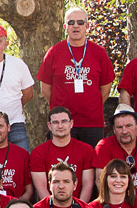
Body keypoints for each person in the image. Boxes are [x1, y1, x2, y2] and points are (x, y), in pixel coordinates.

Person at [37, 9, 115, 145]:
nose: (75, 26)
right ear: (65, 27)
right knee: (62, 164)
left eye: (80, 22)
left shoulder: (99, 53)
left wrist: (91, 105)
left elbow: (106, 90)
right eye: (71, 22)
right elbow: (45, 90)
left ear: (87, 26)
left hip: (92, 123)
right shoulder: (54, 52)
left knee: (91, 163)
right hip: (61, 123)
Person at [91, 108, 137, 202]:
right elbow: (100, 181)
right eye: (119, 127)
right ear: (114, 129)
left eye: (128, 126)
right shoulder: (104, 146)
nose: (124, 131)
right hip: (112, 204)